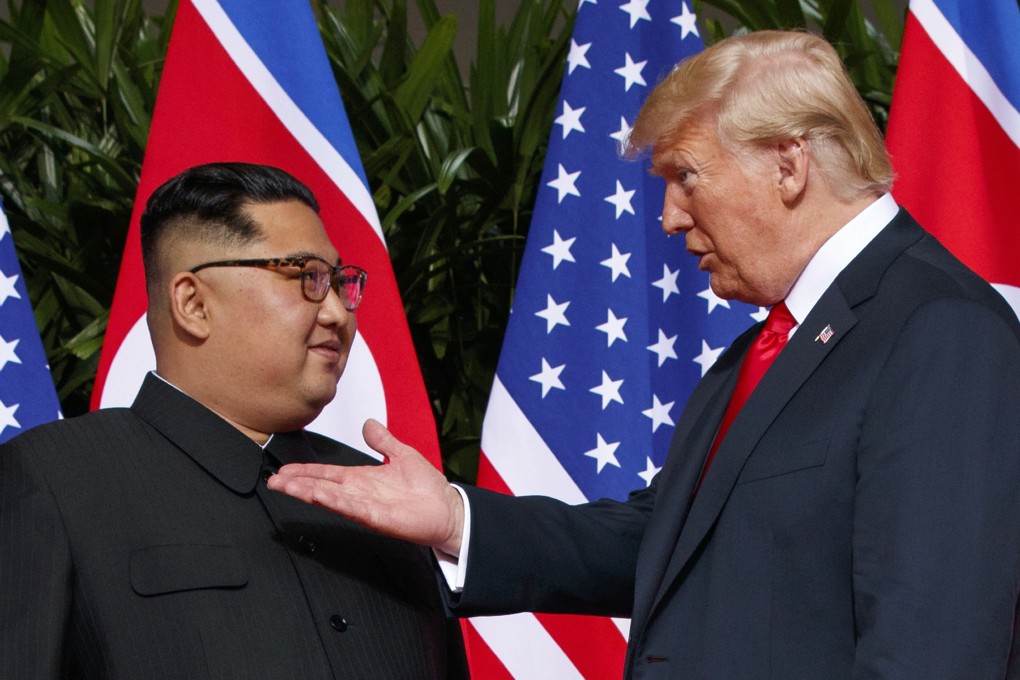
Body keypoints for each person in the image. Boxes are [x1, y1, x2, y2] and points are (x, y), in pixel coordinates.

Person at [268, 30, 1020, 679]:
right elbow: (666, 540)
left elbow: (935, 646)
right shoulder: (765, 349)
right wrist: (455, 520)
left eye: (686, 176)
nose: (667, 217)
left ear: (788, 164)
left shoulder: (940, 330)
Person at [0, 162, 467, 679]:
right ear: (193, 303)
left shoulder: (387, 495)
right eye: (308, 277)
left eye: (339, 282)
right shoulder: (54, 479)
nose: (337, 312)